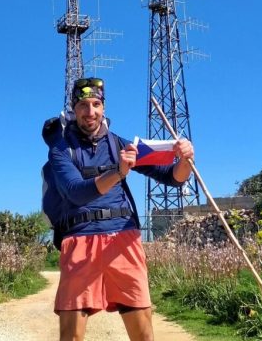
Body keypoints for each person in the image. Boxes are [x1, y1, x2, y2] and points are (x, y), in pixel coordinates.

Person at [45, 77, 194, 341]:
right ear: (73, 109)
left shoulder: (120, 144)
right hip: (80, 240)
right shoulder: (61, 150)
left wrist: (185, 159)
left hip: (123, 240)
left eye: (95, 104)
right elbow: (75, 192)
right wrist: (118, 172)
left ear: (103, 107)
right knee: (71, 337)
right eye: (82, 105)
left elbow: (172, 177)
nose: (90, 112)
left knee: (143, 336)